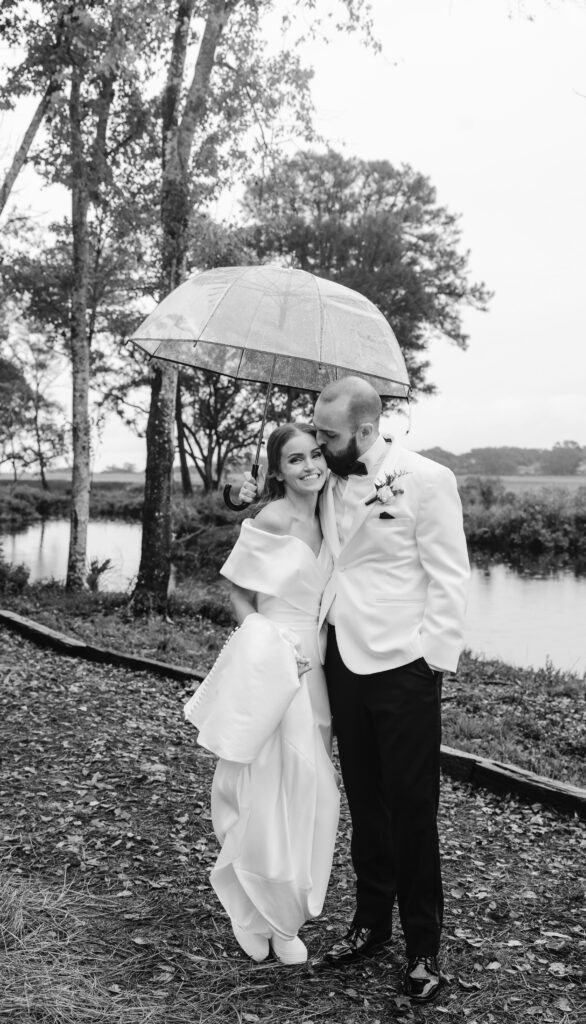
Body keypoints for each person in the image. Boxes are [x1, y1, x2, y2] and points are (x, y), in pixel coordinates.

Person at [239, 376, 470, 1002]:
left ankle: (423, 950)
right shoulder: (330, 477)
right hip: (338, 659)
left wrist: (432, 664)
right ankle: (370, 923)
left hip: (404, 668)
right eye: (315, 431)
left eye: (329, 434)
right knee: (365, 803)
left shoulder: (426, 480)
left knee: (412, 808)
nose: (318, 440)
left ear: (365, 430)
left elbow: (451, 579)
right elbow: (279, 513)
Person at [187, 423, 339, 966]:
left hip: (317, 667)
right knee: (270, 782)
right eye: (295, 460)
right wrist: (268, 639)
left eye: (316, 455)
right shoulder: (270, 518)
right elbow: (236, 589)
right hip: (275, 661)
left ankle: (287, 914)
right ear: (276, 470)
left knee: (313, 789)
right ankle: (253, 914)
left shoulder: (333, 513)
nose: (310, 466)